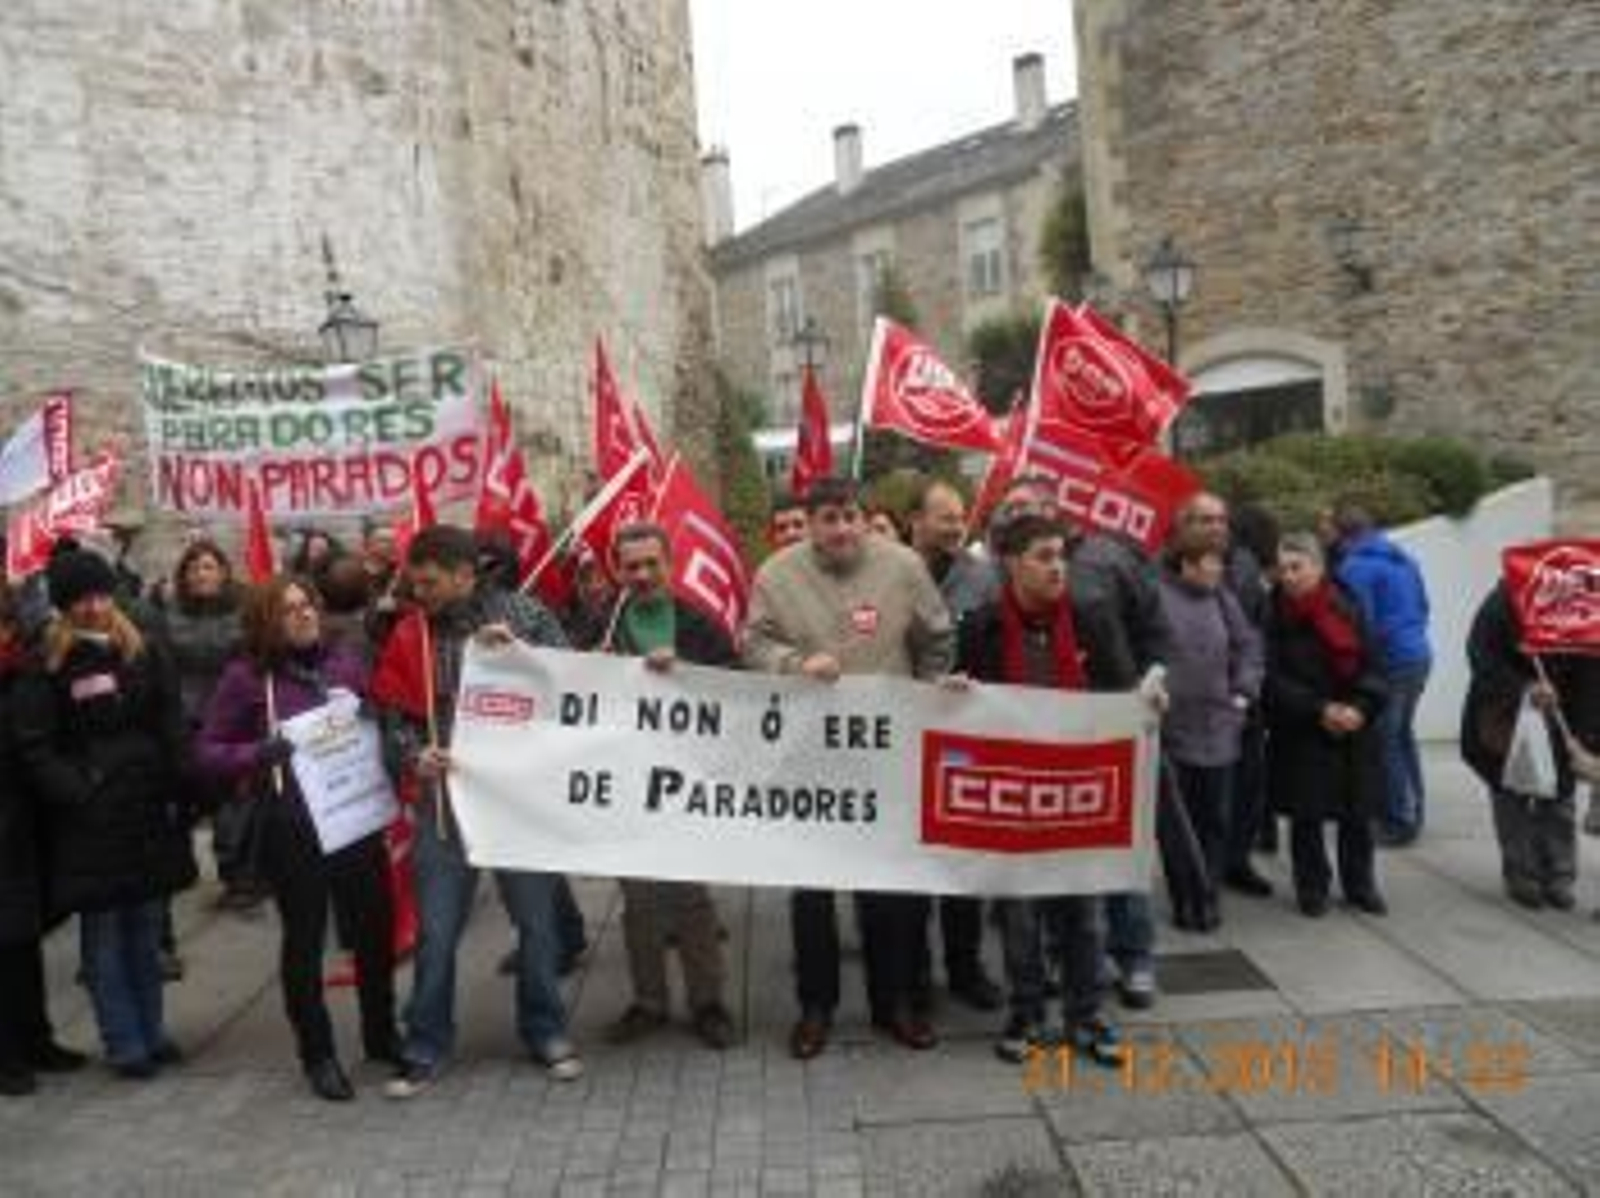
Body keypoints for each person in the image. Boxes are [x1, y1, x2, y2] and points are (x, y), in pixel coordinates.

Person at [744, 477, 954, 1059]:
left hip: (886, 754)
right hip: (809, 755)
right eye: (828, 518)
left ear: (865, 519)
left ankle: (896, 1005)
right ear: (809, 524)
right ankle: (816, 1008)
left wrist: (927, 694)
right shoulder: (776, 575)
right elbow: (753, 641)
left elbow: (938, 637)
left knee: (890, 889)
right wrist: (792, 662)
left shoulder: (905, 566)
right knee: (811, 892)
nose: (840, 528)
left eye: (850, 517)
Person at [370, 525, 582, 1096]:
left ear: (466, 574)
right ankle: (425, 1042)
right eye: (414, 583)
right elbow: (391, 715)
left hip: (518, 797)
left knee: (537, 926)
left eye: (430, 582)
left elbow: (576, 685)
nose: (420, 593)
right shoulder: (410, 632)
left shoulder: (525, 615)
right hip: (447, 802)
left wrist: (522, 657)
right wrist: (416, 755)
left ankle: (545, 1030)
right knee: (437, 930)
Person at [196, 577, 398, 1101]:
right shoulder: (247, 677)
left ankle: (382, 1034)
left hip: (354, 820)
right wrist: (258, 754)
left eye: (307, 605)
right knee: (305, 943)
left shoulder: (345, 660)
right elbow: (208, 751)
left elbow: (381, 709)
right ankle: (319, 1055)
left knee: (374, 933)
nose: (303, 615)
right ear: (267, 621)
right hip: (295, 830)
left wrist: (370, 713)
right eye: (288, 610)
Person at [13, 550, 196, 1078]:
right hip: (90, 820)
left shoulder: (142, 649)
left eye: (100, 595)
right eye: (81, 601)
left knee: (145, 929)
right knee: (104, 934)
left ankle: (153, 1031)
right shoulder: (47, 663)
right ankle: (124, 1042)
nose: (94, 608)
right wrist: (80, 790)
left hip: (144, 807)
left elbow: (169, 717)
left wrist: (177, 777)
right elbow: (35, 746)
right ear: (65, 607)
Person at [954, 514, 1129, 1067]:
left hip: (1078, 793)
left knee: (1085, 912)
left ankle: (1087, 1014)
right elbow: (961, 706)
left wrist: (1145, 706)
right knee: (1021, 917)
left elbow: (1120, 692)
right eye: (1044, 557)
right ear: (1011, 563)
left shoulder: (1091, 619)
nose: (1058, 567)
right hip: (1016, 797)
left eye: (1061, 557)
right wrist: (954, 692)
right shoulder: (981, 627)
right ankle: (1027, 1012)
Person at [602, 523, 737, 1049]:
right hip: (626, 780)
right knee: (637, 901)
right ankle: (649, 1002)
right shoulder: (602, 623)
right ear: (618, 570)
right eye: (630, 566)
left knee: (690, 898)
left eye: (650, 563)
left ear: (670, 563)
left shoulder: (699, 624)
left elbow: (735, 681)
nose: (641, 575)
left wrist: (687, 672)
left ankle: (708, 1002)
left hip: (687, 780)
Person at [906, 478, 1002, 1012]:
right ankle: (917, 975)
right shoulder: (890, 570)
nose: (954, 524)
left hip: (964, 738)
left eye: (959, 515)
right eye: (943, 515)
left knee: (963, 861)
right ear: (914, 520)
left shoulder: (984, 577)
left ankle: (966, 968)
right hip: (906, 735)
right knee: (914, 865)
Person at [1264, 534, 1389, 918]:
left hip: (1353, 723)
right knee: (1307, 814)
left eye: (1296, 567)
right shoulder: (1271, 613)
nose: (1288, 576)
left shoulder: (1347, 604)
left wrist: (1360, 708)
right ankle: (1312, 887)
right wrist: (1320, 709)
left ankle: (1360, 884)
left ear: (1318, 567)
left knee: (1357, 813)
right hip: (1303, 724)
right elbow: (1270, 677)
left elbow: (1374, 664)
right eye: (1282, 569)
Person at [1460, 582, 1600, 910]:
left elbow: (1594, 669)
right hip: (1508, 713)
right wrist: (1525, 686)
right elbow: (1481, 655)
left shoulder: (1589, 600)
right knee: (1513, 792)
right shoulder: (1505, 600)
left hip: (1567, 712)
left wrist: (1585, 733)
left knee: (1560, 795)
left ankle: (1559, 876)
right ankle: (1521, 874)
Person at [0, 583, 87, 1096]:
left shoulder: (25, 666)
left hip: (25, 816)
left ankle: (36, 1038)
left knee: (24, 936)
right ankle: (7, 1052)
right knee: (6, 940)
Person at [1157, 545, 1264, 929]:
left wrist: (1242, 693)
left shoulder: (1223, 599)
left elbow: (1249, 646)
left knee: (1215, 818)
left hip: (1220, 727)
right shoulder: (1157, 597)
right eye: (1209, 562)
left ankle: (1209, 895)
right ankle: (1185, 897)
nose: (1217, 569)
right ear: (1186, 563)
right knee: (1177, 824)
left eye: (1220, 562)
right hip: (1174, 729)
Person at [161, 539, 258, 910]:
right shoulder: (167, 613)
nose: (201, 574)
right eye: (194, 568)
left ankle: (238, 877)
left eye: (208, 567)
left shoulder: (244, 612)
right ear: (183, 576)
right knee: (185, 801)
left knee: (232, 804)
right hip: (184, 717)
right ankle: (179, 871)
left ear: (223, 572)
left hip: (232, 719)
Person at [1331, 501, 1433, 846]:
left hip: (1389, 660)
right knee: (1402, 735)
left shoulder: (1355, 567)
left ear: (1341, 534)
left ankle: (1397, 820)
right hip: (1417, 655)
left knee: (1385, 739)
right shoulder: (1404, 559)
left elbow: (1358, 623)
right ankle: (1413, 811)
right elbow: (1423, 606)